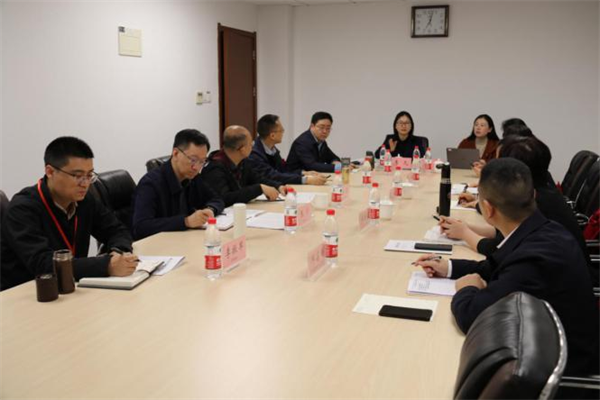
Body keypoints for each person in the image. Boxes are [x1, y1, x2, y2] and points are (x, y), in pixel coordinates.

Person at [416, 158, 599, 374]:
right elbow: (495, 266)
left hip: (560, 371)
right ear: (533, 196)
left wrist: (467, 288)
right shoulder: (542, 228)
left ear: (487, 209)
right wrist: (448, 267)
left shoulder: (534, 259)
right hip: (545, 346)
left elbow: (472, 316)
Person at [0, 137, 137, 291]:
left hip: (71, 287)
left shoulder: (84, 200)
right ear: (50, 171)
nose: (85, 183)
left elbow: (117, 230)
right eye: (77, 176)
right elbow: (43, 264)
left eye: (89, 175)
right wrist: (106, 265)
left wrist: (117, 252)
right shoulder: (22, 209)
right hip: (28, 293)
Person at [132, 129, 225, 240]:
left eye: (202, 161)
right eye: (193, 160)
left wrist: (210, 209)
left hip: (184, 238)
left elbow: (217, 199)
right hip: (159, 244)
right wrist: (186, 221)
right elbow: (141, 227)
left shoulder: (193, 176)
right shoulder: (151, 183)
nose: (196, 167)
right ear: (175, 153)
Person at [201, 125, 285, 207]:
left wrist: (278, 186)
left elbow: (257, 179)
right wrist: (259, 189)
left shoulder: (243, 162)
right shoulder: (214, 168)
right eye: (251, 143)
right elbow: (225, 198)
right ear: (242, 149)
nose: (253, 146)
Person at [249, 114, 328, 185]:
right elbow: (273, 176)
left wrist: (304, 173)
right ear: (272, 135)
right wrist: (305, 180)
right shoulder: (255, 154)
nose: (283, 132)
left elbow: (284, 170)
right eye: (281, 130)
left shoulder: (272, 149)